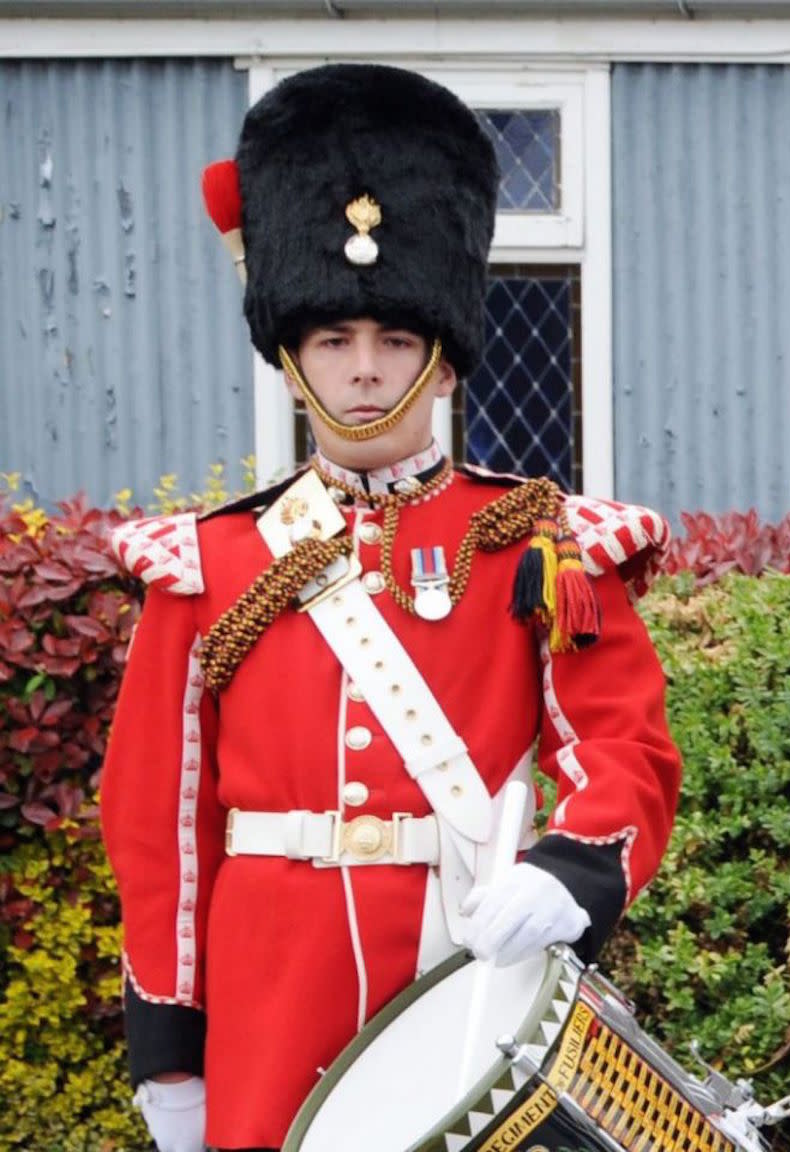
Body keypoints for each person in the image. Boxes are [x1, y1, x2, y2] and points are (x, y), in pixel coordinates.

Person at [100, 63, 682, 1152]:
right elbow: (160, 829)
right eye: (332, 341)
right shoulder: (210, 563)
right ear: (289, 361)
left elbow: (622, 746)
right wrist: (171, 1049)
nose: (364, 371)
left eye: (397, 341)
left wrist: (575, 869)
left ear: (446, 361)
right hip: (266, 993)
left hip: (466, 967)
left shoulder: (544, 544)